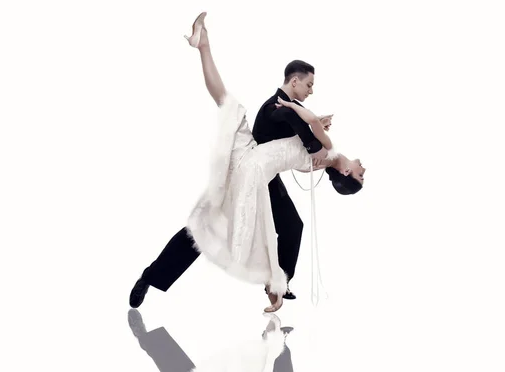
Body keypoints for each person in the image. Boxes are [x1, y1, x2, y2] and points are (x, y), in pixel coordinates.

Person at [129, 12, 365, 312]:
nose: (311, 91)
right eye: (309, 85)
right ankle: (151, 277)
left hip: (263, 173)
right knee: (206, 226)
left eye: (359, 174)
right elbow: (288, 119)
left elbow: (300, 135)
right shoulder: (277, 106)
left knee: (292, 225)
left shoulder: (298, 115)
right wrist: (310, 134)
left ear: (345, 172)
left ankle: (279, 280)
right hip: (248, 166)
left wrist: (312, 130)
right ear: (294, 81)